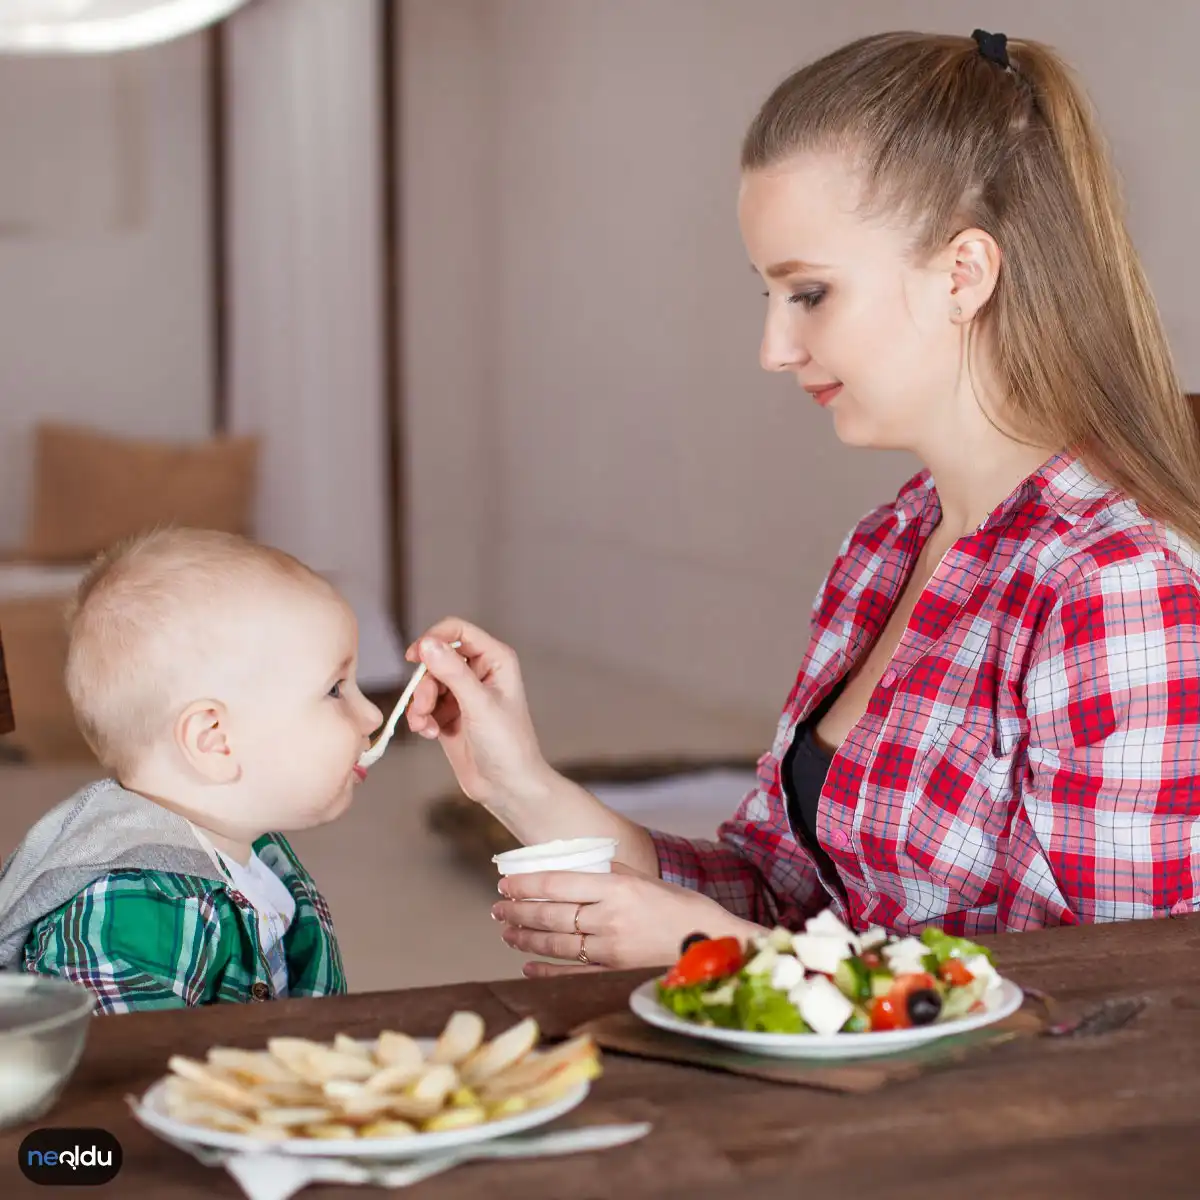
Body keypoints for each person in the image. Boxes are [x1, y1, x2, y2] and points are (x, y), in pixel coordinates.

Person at [402, 29, 1200, 976]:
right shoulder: (890, 545)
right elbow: (783, 890)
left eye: (810, 293)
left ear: (964, 274)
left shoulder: (1113, 584)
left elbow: (1129, 999)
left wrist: (722, 953)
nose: (774, 349)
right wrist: (519, 784)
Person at [0, 528, 382, 1011]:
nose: (371, 715)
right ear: (214, 740)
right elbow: (133, 1076)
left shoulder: (253, 851)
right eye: (335, 689)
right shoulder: (130, 913)